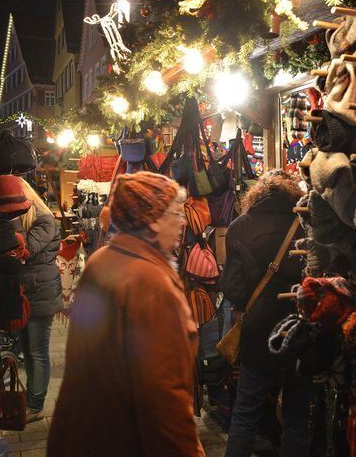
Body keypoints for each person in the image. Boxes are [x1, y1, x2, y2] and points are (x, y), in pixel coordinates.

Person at [48, 172, 204, 457]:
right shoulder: (151, 285)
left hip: (83, 436)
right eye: (175, 213)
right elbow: (164, 399)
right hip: (125, 441)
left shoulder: (102, 261)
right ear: (153, 220)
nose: (181, 222)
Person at [221, 169, 311, 457]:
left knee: (246, 411)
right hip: (299, 326)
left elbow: (233, 289)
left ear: (257, 195)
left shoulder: (239, 227)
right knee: (297, 414)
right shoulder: (304, 223)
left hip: (258, 328)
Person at [0, 175, 61, 421]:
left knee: (37, 351)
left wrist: (13, 219)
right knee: (27, 351)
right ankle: (31, 400)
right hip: (20, 294)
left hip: (41, 293)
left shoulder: (44, 220)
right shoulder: (22, 220)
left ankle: (35, 404)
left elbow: (24, 250)